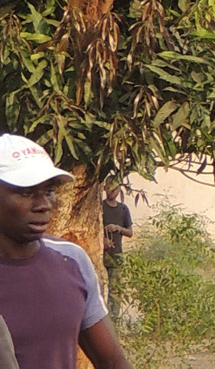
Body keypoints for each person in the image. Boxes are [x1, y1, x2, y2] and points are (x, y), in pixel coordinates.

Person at [0, 135, 134, 369]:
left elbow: (112, 362)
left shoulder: (72, 260)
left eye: (49, 190)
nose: (43, 204)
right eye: (26, 192)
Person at [98, 191, 131, 276]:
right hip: (98, 258)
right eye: (110, 188)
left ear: (119, 189)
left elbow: (130, 233)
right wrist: (102, 241)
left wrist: (118, 228)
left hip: (116, 257)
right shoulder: (99, 207)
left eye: (116, 188)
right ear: (105, 188)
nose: (113, 191)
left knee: (115, 288)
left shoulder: (123, 208)